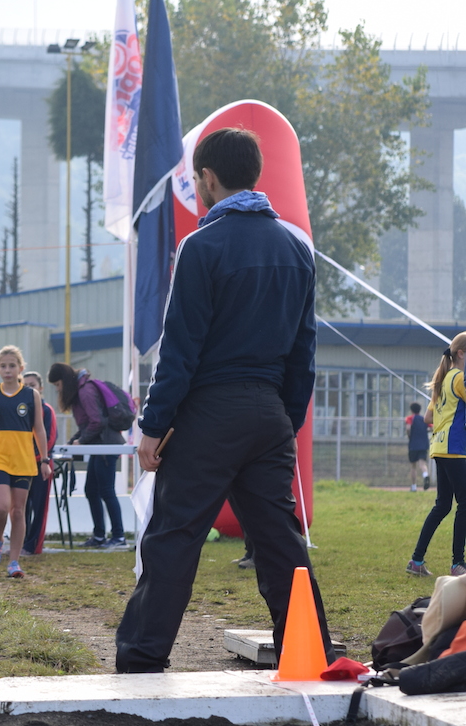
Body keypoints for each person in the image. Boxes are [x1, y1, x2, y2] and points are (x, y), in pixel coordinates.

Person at [116, 126, 333, 673]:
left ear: (208, 179)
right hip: (270, 413)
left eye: (197, 181)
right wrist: (283, 420)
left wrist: (152, 426)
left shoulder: (201, 246)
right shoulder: (297, 248)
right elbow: (303, 354)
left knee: (174, 536)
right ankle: (309, 651)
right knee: (280, 541)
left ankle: (142, 656)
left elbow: (180, 351)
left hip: (209, 414)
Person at [0, 346, 52, 578]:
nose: (8, 370)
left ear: (21, 368)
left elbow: (39, 429)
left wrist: (44, 460)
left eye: (12, 365)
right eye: (3, 366)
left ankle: (14, 562)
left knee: (18, 511)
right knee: (1, 507)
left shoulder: (31, 395)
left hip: (23, 459)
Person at [47, 362, 126, 548]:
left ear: (64, 381)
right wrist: (74, 441)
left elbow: (97, 422)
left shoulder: (85, 391)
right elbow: (88, 425)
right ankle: (99, 536)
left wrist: (80, 441)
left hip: (106, 446)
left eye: (58, 385)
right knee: (91, 490)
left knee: (106, 491)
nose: (58, 390)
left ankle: (118, 536)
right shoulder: (82, 389)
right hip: (99, 447)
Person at [408, 335, 466, 576]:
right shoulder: (459, 378)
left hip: (440, 448)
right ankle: (457, 563)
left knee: (442, 505)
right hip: (455, 449)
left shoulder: (442, 380)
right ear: (461, 353)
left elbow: (428, 417)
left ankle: (416, 561)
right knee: (464, 504)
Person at [21, 370, 58, 556]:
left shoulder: (46, 410)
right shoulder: (20, 409)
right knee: (21, 507)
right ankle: (21, 542)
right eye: (25, 385)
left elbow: (49, 439)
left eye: (32, 385)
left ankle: (34, 545)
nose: (29, 389)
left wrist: (40, 459)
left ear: (40, 388)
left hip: (40, 464)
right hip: (21, 464)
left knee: (39, 507)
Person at [407, 401, 430, 492]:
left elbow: (408, 428)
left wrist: (409, 435)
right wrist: (424, 431)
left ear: (411, 410)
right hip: (424, 444)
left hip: (413, 445)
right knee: (422, 463)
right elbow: (431, 427)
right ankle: (425, 475)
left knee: (413, 466)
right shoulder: (424, 418)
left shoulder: (410, 418)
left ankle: (413, 487)